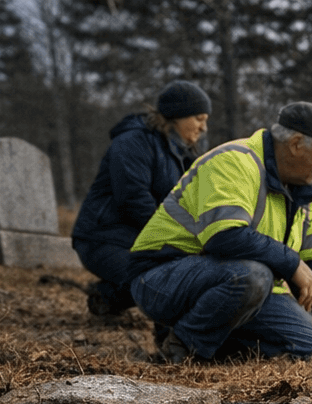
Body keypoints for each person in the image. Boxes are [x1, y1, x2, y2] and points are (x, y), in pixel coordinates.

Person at [127, 101, 312, 362]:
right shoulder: (233, 162)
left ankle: (207, 338)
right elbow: (224, 237)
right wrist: (292, 263)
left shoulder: (304, 193)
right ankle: (181, 349)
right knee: (253, 276)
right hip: (160, 278)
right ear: (296, 144)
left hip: (237, 285)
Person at [71, 81, 212, 317]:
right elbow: (134, 200)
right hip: (104, 239)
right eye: (199, 118)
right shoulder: (133, 142)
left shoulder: (184, 156)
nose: (204, 127)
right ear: (176, 115)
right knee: (160, 279)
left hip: (142, 239)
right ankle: (110, 296)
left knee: (184, 274)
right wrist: (177, 241)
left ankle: (107, 297)